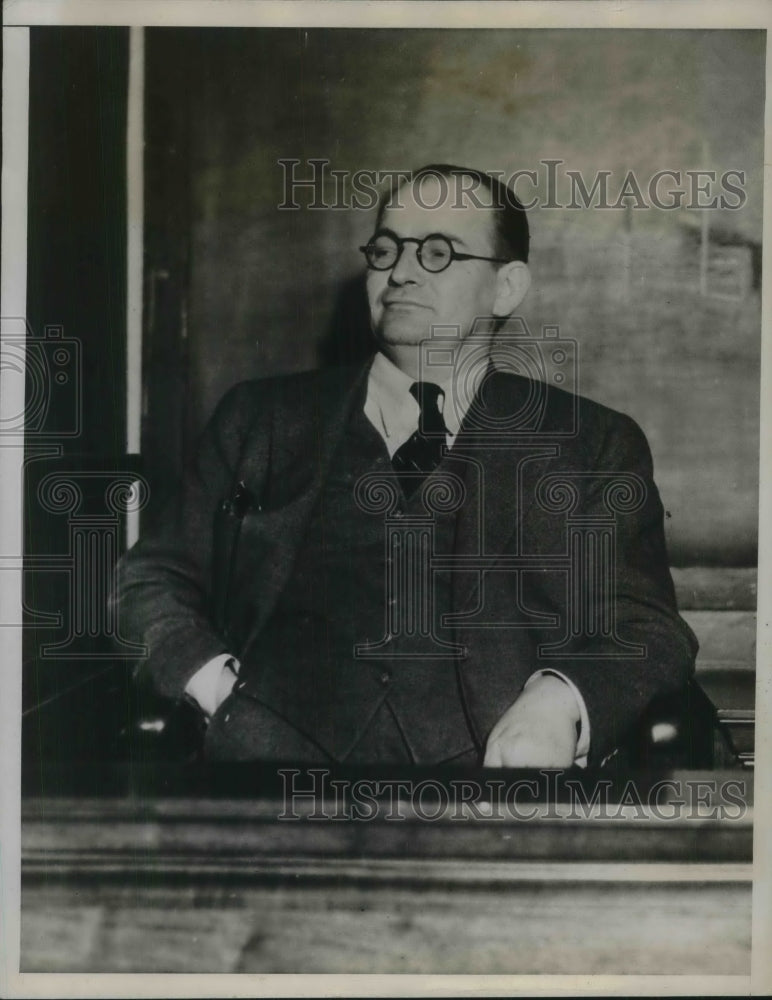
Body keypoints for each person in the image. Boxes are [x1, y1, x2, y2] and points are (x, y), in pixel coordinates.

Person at [114, 164, 697, 768]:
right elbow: (150, 579)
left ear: (507, 287)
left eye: (439, 252)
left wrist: (560, 699)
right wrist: (216, 690)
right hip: (271, 790)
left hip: (495, 801)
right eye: (386, 248)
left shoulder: (592, 444)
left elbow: (646, 625)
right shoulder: (260, 421)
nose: (401, 270)